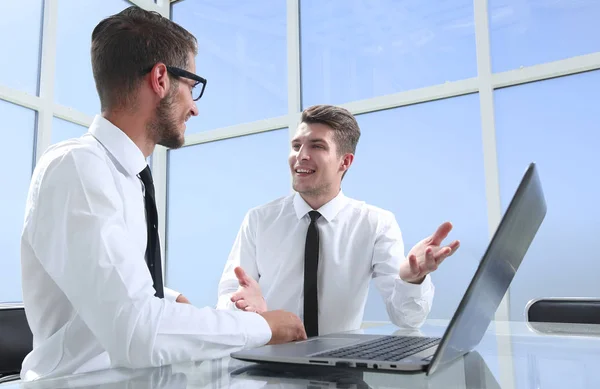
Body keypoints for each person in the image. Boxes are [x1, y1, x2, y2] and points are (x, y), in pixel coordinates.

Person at [19, 6, 305, 381]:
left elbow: (104, 284)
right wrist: (267, 328)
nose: (195, 107)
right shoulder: (78, 168)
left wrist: (167, 300)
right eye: (192, 86)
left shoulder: (125, 176)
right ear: (160, 79)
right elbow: (139, 331)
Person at [216, 104, 460, 337]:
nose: (301, 156)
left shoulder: (376, 224)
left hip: (342, 372)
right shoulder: (259, 220)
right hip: (266, 366)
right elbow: (228, 299)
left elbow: (407, 319)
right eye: (296, 145)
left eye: (317, 146)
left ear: (345, 162)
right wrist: (244, 309)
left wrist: (412, 280)